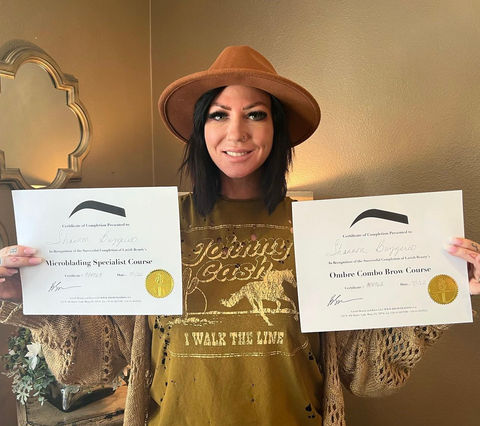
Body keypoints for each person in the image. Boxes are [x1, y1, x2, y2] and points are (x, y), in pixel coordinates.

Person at [0, 45, 479, 426]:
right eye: (218, 114)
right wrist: (35, 295)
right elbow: (92, 366)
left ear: (276, 129)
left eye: (255, 114)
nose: (236, 133)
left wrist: (445, 285)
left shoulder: (318, 232)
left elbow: (365, 373)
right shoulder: (152, 227)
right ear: (200, 129)